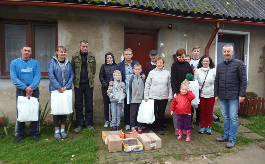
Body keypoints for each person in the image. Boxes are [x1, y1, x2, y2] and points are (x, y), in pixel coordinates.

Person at [215, 44, 247, 148]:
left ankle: (232, 138)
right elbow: (217, 81)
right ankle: (226, 135)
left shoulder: (239, 64)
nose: (226, 53)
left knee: (233, 117)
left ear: (232, 53)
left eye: (228, 51)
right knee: (225, 117)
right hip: (223, 96)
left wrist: (242, 94)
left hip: (234, 96)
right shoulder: (219, 66)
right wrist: (216, 94)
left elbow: (243, 80)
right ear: (222, 53)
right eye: (224, 52)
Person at [10, 44, 41, 144]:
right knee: (21, 111)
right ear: (21, 51)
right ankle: (20, 134)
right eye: (25, 50)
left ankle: (34, 132)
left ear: (31, 52)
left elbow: (37, 76)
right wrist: (25, 88)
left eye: (28, 51)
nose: (27, 52)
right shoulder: (14, 63)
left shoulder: (35, 63)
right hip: (21, 90)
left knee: (34, 110)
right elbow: (14, 78)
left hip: (33, 89)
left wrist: (31, 88)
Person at [109, 48, 145, 131]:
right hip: (125, 88)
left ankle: (137, 124)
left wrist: (143, 75)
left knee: (135, 106)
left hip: (135, 88)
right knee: (127, 106)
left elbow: (140, 71)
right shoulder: (119, 65)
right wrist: (111, 81)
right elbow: (114, 75)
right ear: (124, 55)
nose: (128, 56)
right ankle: (128, 123)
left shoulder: (136, 63)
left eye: (129, 54)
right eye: (126, 54)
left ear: (132, 55)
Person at [48, 46, 74, 139]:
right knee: (56, 110)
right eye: (61, 52)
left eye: (64, 52)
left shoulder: (68, 62)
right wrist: (59, 87)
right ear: (57, 52)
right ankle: (56, 130)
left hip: (66, 90)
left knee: (64, 110)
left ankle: (63, 130)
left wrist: (66, 86)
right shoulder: (52, 62)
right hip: (56, 90)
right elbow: (51, 75)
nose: (63, 53)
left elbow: (71, 74)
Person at [71, 40, 96, 133]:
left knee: (89, 104)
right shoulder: (75, 56)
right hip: (78, 84)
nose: (85, 48)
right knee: (78, 104)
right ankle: (79, 124)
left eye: (86, 46)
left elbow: (93, 69)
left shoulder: (91, 56)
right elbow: (72, 69)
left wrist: (90, 78)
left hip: (88, 84)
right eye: (83, 46)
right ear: (79, 46)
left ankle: (89, 123)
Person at [144, 56, 173, 135]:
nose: (159, 64)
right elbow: (147, 85)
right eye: (158, 63)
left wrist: (170, 96)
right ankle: (152, 127)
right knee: (152, 112)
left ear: (163, 64)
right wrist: (146, 96)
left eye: (161, 62)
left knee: (161, 112)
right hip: (153, 96)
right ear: (155, 64)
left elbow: (170, 85)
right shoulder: (152, 72)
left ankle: (160, 128)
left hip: (163, 96)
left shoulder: (167, 73)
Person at [171, 48, 193, 134]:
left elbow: (191, 76)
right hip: (178, 90)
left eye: (183, 57)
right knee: (177, 109)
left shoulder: (187, 65)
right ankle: (177, 127)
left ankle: (184, 127)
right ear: (177, 56)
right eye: (179, 57)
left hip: (186, 90)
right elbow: (173, 79)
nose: (181, 58)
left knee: (185, 109)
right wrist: (175, 92)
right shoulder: (174, 65)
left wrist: (188, 84)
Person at [194, 55, 216, 135]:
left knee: (209, 111)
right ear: (201, 62)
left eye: (207, 61)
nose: (206, 62)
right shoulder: (198, 71)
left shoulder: (213, 71)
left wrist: (216, 94)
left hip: (211, 94)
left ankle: (209, 126)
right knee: (202, 111)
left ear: (209, 62)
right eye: (204, 61)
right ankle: (202, 126)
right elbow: (195, 82)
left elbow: (216, 82)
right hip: (202, 94)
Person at [99, 52, 116, 128]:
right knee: (106, 104)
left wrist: (113, 84)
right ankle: (107, 120)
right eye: (108, 58)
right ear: (106, 59)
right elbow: (101, 76)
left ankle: (112, 120)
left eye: (111, 58)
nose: (109, 59)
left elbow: (118, 75)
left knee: (113, 104)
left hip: (114, 88)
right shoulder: (103, 66)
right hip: (105, 88)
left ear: (113, 58)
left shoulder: (116, 66)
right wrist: (106, 85)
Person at [128, 64, 145, 133]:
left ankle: (139, 126)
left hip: (141, 100)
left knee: (140, 113)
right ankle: (132, 126)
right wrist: (130, 100)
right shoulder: (131, 79)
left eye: (139, 70)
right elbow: (129, 89)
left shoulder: (143, 79)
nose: (137, 71)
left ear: (141, 70)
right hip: (133, 100)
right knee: (133, 114)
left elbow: (145, 89)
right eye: (136, 69)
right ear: (133, 70)